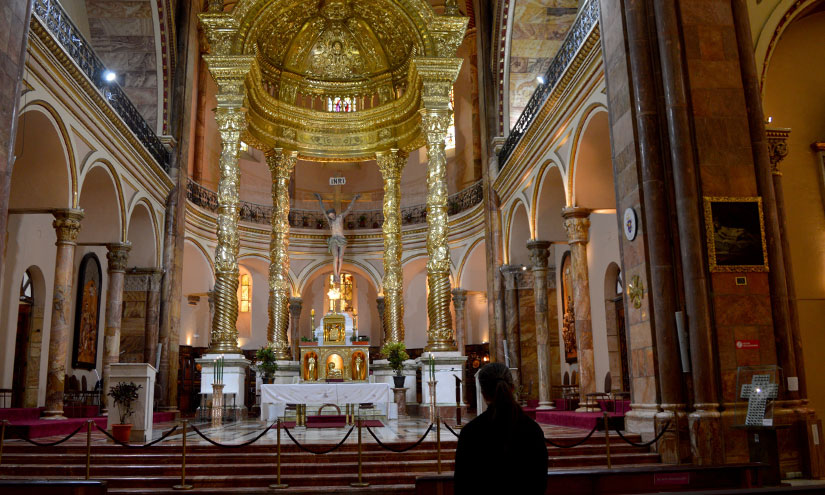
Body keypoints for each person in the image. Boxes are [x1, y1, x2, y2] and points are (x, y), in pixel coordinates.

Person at [454, 362, 547, 494]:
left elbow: (461, 485)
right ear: (512, 388)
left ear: (483, 393)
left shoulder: (471, 432)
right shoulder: (533, 430)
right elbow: (540, 482)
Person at [314, 192, 361, 283]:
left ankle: (338, 274)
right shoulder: (330, 221)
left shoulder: (340, 217)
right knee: (335, 257)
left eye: (332, 215)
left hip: (342, 239)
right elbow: (323, 209)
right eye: (330, 216)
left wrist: (354, 198)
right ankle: (336, 275)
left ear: (334, 213)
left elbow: (349, 208)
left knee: (340, 258)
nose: (331, 217)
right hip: (333, 240)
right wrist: (319, 198)